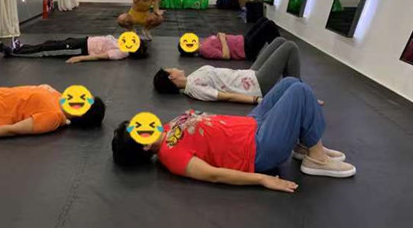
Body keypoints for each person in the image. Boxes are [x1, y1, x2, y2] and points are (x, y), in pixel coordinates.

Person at [112, 78, 356, 193]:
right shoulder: (170, 155)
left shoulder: (166, 128)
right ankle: (316, 158)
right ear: (145, 147)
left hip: (252, 124)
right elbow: (213, 175)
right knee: (300, 92)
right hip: (259, 149)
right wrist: (262, 179)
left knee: (289, 83)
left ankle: (305, 144)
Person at [157, 38, 310, 103]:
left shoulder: (192, 78)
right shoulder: (193, 88)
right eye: (171, 69)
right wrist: (256, 100)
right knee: (290, 47)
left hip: (248, 74)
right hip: (255, 85)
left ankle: (293, 90)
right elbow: (227, 97)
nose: (174, 67)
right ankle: (300, 95)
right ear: (171, 77)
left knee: (279, 41)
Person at [0, 35, 148, 63]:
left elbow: (100, 56)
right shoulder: (122, 43)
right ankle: (22, 47)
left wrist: (79, 58)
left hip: (80, 49)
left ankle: (14, 52)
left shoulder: (121, 52)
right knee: (50, 42)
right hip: (83, 41)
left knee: (47, 50)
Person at [187, 17, 280, 61]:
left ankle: (278, 50)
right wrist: (222, 38)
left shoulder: (203, 43)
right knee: (269, 25)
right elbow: (226, 56)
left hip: (243, 40)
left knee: (263, 20)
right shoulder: (204, 50)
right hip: (246, 50)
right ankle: (281, 51)